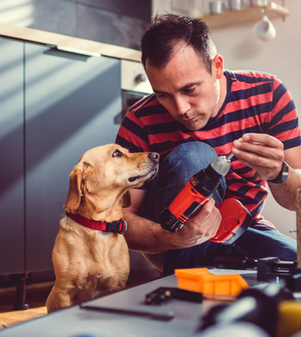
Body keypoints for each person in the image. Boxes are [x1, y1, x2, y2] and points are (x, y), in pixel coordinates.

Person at [116, 14, 301, 275]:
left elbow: (296, 201)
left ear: (217, 66)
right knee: (195, 156)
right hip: (171, 237)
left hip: (240, 229)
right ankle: (184, 283)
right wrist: (173, 239)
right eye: (163, 95)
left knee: (296, 271)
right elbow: (121, 219)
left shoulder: (268, 95)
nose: (180, 109)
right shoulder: (139, 121)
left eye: (190, 89)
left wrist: (277, 172)